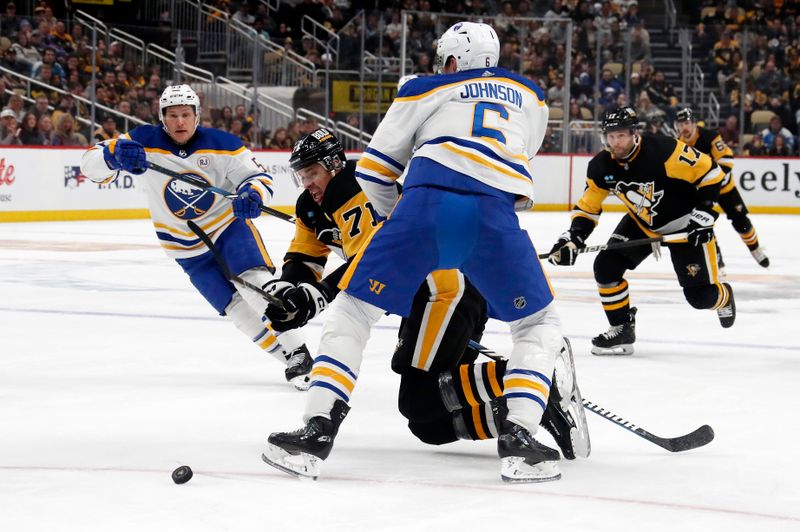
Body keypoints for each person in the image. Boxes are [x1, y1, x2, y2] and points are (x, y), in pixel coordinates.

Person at [263, 22, 581, 483]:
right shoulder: (530, 94)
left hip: (429, 213)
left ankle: (317, 431)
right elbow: (516, 155)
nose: (306, 182)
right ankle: (520, 439)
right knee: (539, 324)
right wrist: (299, 283)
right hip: (494, 212)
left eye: (311, 171)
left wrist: (411, 223)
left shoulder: (420, 87)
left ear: (451, 62)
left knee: (355, 318)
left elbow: (373, 174)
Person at [80, 84, 312, 389]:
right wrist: (112, 155)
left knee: (256, 285)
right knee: (236, 310)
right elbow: (90, 166)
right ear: (162, 117)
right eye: (172, 115)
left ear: (196, 116)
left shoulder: (222, 144)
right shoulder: (141, 141)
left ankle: (298, 351)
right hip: (184, 248)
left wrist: (251, 194)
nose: (179, 122)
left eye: (185, 115)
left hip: (227, 228)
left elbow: (259, 178)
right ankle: (293, 363)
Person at [548, 107, 735, 357]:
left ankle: (725, 296)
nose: (616, 142)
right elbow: (588, 208)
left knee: (700, 297)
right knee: (606, 267)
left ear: (635, 134)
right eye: (610, 136)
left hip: (685, 224)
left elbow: (711, 173)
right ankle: (622, 328)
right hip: (643, 224)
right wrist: (573, 237)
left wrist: (704, 213)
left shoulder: (664, 150)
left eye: (621, 135)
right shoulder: (601, 166)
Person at [675, 107, 769, 268]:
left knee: (741, 221)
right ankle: (718, 260)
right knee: (704, 223)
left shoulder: (710, 136)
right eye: (680, 124)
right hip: (703, 192)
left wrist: (714, 180)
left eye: (687, 123)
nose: (684, 127)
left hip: (725, 188)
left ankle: (755, 250)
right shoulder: (679, 144)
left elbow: (726, 160)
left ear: (694, 123)